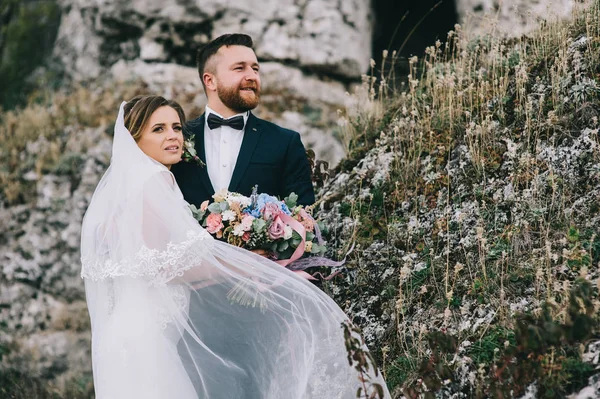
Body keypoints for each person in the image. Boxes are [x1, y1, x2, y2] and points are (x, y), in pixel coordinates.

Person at [80, 95, 390, 399]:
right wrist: (251, 264)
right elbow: (167, 266)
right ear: (134, 139)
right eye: (158, 129)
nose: (173, 136)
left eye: (176, 127)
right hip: (148, 339)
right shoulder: (156, 180)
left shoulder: (126, 189)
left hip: (128, 333)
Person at [171, 33, 315, 208]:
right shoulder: (178, 138)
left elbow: (303, 216)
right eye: (239, 68)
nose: (252, 76)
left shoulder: (285, 142)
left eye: (255, 69)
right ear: (210, 81)